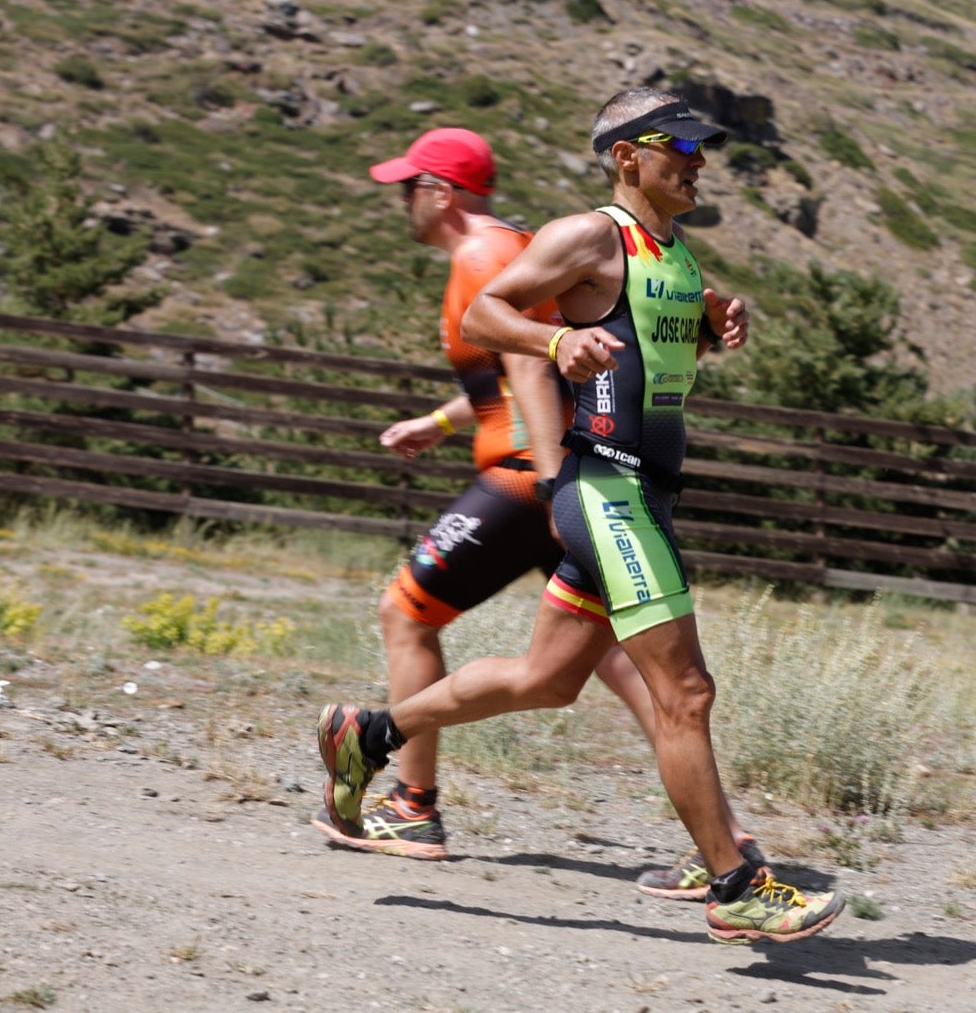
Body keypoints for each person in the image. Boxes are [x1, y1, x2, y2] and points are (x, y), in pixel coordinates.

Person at [317, 90, 844, 944]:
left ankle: (369, 736)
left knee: (548, 679)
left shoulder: (669, 252)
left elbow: (646, 339)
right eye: (681, 146)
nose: (699, 160)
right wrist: (554, 343)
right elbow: (491, 311)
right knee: (686, 692)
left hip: (646, 495)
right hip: (608, 492)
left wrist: (715, 318)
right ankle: (736, 884)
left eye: (704, 148)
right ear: (627, 155)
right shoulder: (588, 234)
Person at [311, 126, 656, 861]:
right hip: (557, 470)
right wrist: (438, 422)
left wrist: (552, 481)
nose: (402, 201)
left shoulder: (480, 256)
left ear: (440, 191)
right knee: (617, 658)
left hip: (526, 478)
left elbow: (535, 373)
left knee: (405, 613)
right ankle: (723, 834)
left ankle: (413, 807)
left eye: (408, 187)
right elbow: (520, 365)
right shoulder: (505, 247)